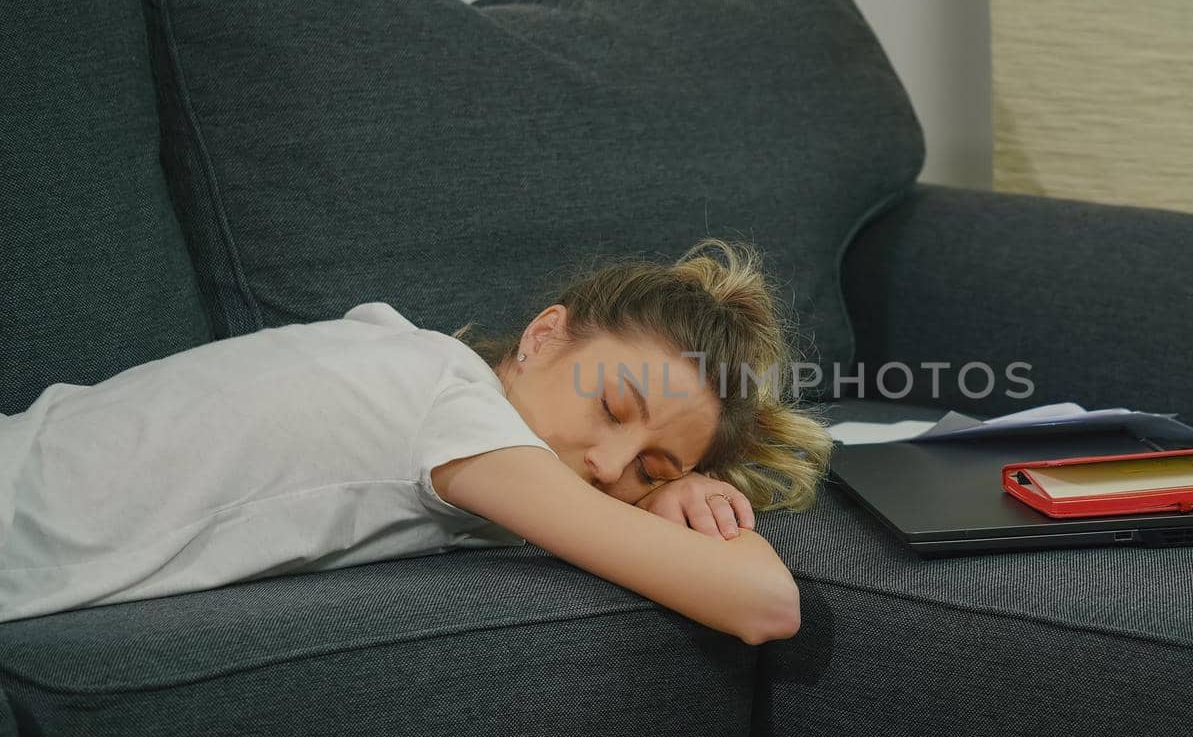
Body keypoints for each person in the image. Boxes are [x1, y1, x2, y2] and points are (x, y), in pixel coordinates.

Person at [0, 238, 833, 644]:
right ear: (545, 336)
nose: (608, 468)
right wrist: (683, 505)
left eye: (647, 467)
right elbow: (766, 606)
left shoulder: (400, 350)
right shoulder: (454, 415)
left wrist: (663, 493)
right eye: (612, 407)